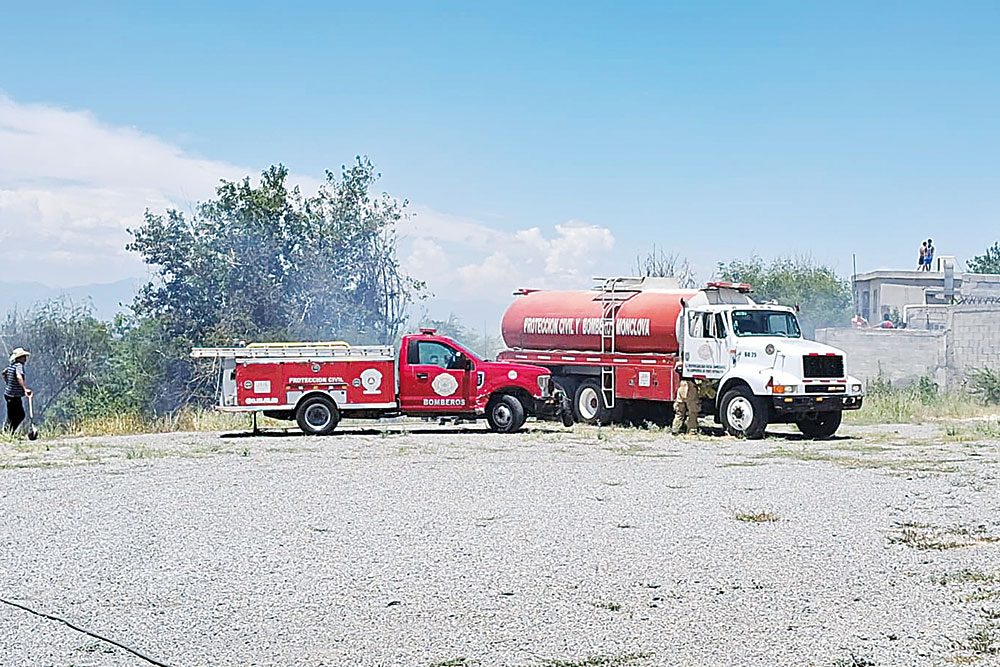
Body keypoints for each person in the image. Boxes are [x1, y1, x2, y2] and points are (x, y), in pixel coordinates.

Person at [3, 347, 33, 433]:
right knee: (20, 415)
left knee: (11, 416)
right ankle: (9, 432)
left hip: (9, 394)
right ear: (19, 358)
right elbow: (19, 376)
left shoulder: (11, 366)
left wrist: (9, 383)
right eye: (23, 356)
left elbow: (4, 373)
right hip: (13, 396)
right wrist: (25, 388)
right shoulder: (19, 366)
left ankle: (6, 432)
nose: (25, 358)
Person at [671, 365, 699, 435]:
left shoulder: (680, 365)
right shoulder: (692, 364)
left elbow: (676, 369)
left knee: (679, 411)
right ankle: (692, 430)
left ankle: (675, 429)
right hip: (690, 386)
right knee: (692, 411)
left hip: (681, 386)